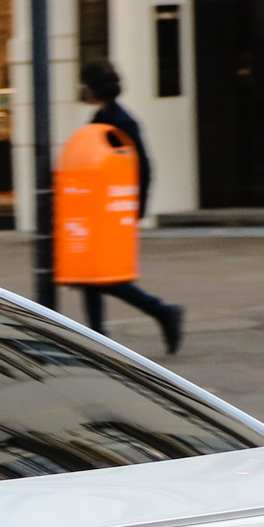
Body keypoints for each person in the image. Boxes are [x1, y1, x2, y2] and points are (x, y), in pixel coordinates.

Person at [76, 59, 184, 355]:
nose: (80, 88)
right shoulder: (101, 118)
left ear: (92, 87)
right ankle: (99, 335)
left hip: (112, 212)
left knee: (101, 277)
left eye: (83, 83)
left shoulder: (120, 122)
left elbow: (143, 167)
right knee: (92, 276)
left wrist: (134, 211)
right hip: (99, 210)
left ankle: (161, 312)